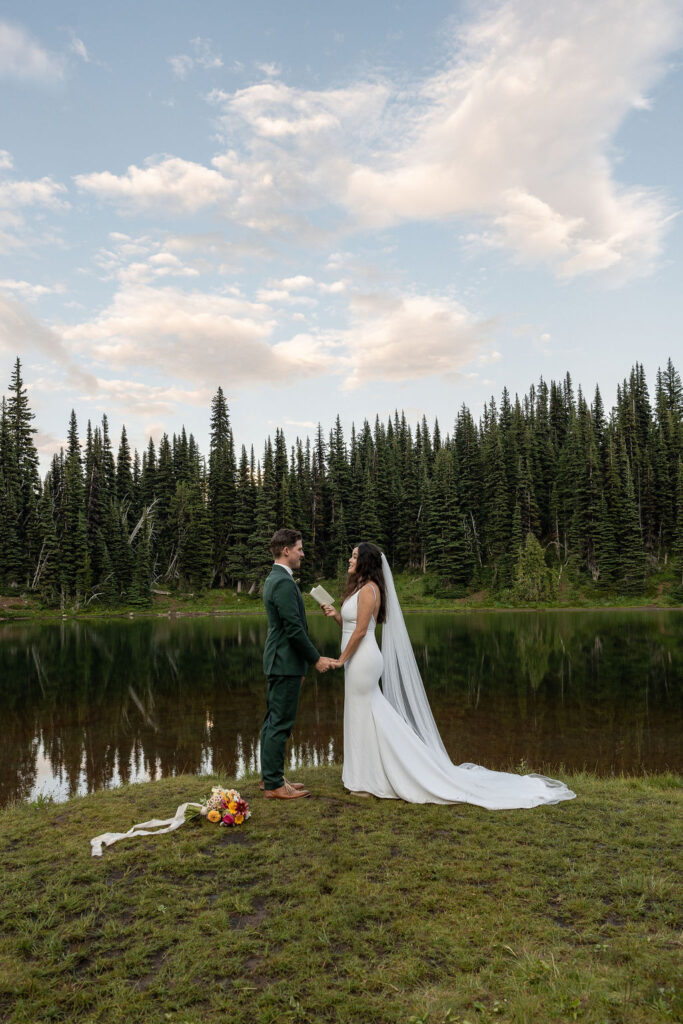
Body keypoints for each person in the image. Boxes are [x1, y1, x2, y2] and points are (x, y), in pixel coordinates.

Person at [322, 542, 576, 808]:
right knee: (363, 715)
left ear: (365, 561)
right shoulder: (360, 589)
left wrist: (341, 660)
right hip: (358, 660)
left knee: (367, 714)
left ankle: (370, 780)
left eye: (353, 556)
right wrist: (337, 616)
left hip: (362, 661)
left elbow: (362, 632)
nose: (349, 560)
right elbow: (351, 627)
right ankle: (365, 775)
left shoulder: (369, 590)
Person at [261, 528, 336, 800]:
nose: (302, 553)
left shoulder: (276, 579)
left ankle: (272, 776)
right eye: (300, 549)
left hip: (280, 661)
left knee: (272, 721)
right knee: (279, 722)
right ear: (286, 550)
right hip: (284, 662)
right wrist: (315, 659)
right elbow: (293, 629)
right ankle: (273, 785)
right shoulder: (282, 582)